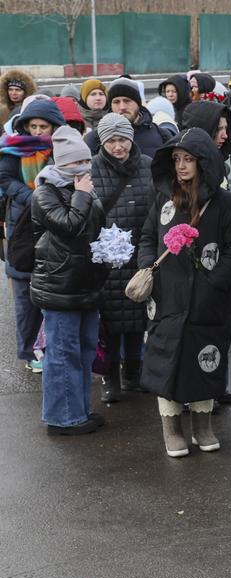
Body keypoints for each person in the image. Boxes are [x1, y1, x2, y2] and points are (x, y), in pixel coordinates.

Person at [135, 127, 231, 457]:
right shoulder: (164, 198)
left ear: (204, 163)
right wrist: (148, 268)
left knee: (205, 361)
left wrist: (215, 282)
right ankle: (171, 429)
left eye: (189, 159)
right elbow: (146, 237)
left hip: (207, 301)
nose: (181, 166)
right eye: (176, 159)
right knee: (166, 360)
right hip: (166, 297)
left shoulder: (224, 203)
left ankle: (202, 425)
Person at [29, 126, 107, 435]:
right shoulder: (44, 192)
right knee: (62, 354)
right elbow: (70, 225)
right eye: (76, 164)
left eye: (86, 162)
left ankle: (79, 410)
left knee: (85, 349)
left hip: (85, 282)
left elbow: (93, 225)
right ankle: (61, 418)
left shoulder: (83, 187)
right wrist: (82, 195)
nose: (83, 169)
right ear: (61, 164)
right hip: (58, 286)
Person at [91, 113, 153, 405]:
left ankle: (133, 374)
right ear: (103, 142)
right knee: (111, 324)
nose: (118, 147)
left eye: (123, 139)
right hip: (106, 260)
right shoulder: (91, 169)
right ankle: (110, 379)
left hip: (141, 254)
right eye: (111, 141)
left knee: (137, 320)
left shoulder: (149, 167)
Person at [1, 98, 65, 373]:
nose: (38, 131)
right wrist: (34, 197)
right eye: (33, 125)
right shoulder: (12, 150)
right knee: (25, 299)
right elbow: (5, 180)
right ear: (25, 126)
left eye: (44, 126)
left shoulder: (61, 149)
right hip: (22, 227)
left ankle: (52, 346)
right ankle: (29, 350)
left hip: (53, 227)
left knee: (52, 293)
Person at [84, 80, 173, 158]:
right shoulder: (94, 139)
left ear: (138, 103)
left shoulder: (162, 136)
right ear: (110, 106)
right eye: (116, 102)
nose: (122, 107)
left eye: (127, 101)